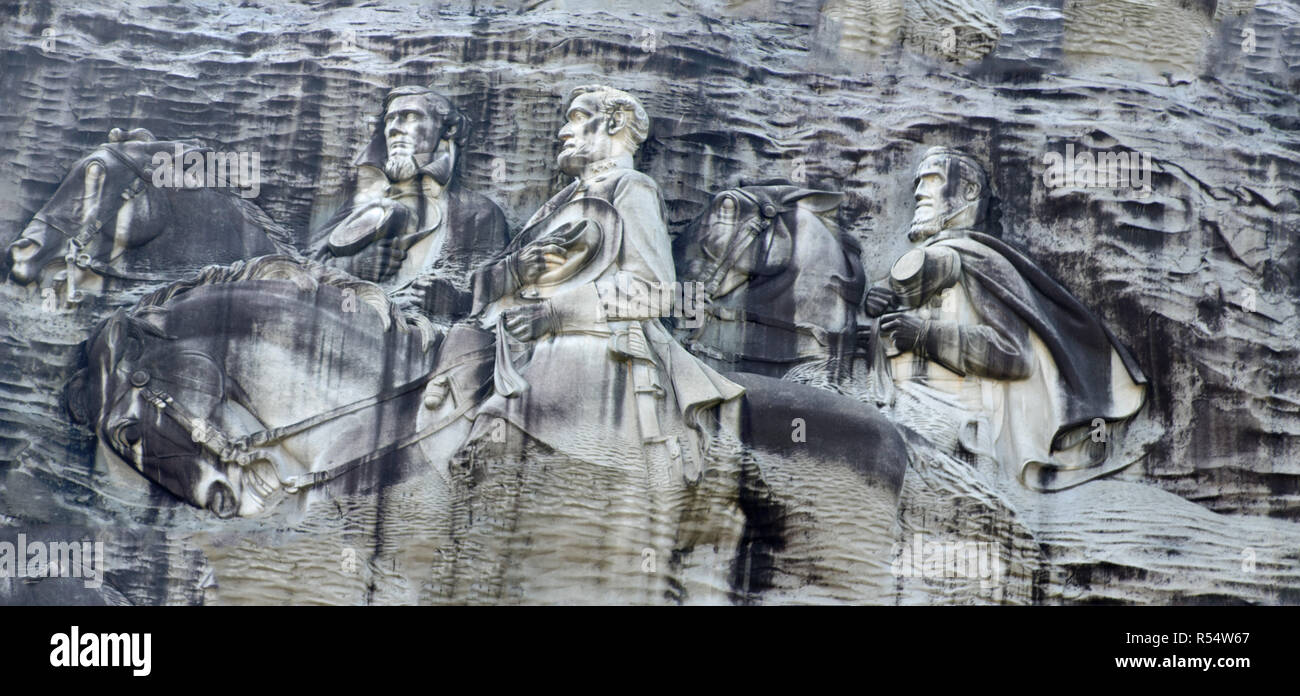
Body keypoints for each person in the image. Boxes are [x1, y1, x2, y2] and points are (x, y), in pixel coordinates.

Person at [455, 84, 744, 483]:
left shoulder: (631, 186)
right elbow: (494, 284)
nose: (563, 132)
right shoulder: (558, 202)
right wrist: (515, 271)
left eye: (576, 118)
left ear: (615, 121)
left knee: (503, 425)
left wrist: (554, 315)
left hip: (593, 337)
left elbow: (652, 290)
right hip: (509, 335)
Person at [866, 146, 1147, 490]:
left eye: (933, 180)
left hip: (951, 428)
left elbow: (1014, 355)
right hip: (894, 405)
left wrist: (924, 336)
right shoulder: (920, 264)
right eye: (917, 183)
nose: (920, 192)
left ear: (969, 192)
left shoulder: (978, 259)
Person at [313, 86, 509, 318]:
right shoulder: (360, 205)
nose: (395, 128)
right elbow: (304, 269)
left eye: (410, 116)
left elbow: (499, 299)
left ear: (448, 129)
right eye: (390, 120)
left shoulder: (477, 212)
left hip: (421, 333)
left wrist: (456, 302)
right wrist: (354, 265)